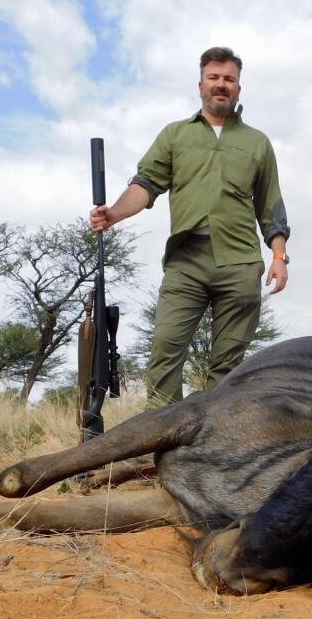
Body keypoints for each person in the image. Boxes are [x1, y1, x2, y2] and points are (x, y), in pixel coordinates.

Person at [90, 46, 289, 404]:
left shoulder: (257, 142)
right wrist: (114, 213)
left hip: (240, 262)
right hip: (186, 260)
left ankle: (207, 446)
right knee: (165, 350)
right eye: (214, 77)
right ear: (200, 84)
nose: (221, 84)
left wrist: (279, 257)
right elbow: (146, 184)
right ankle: (160, 442)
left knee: (228, 364)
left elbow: (270, 205)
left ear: (238, 88)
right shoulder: (175, 135)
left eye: (229, 79)